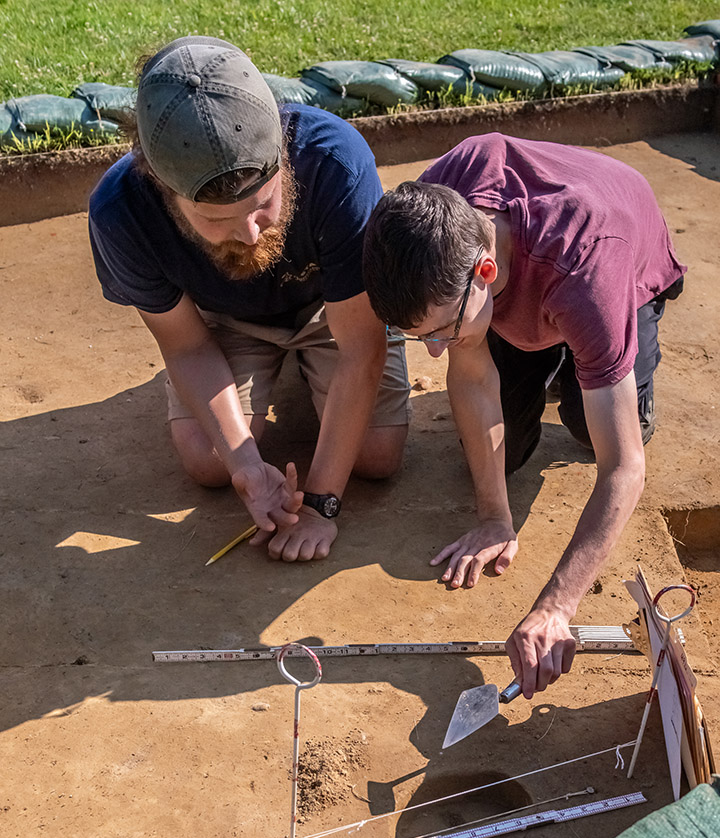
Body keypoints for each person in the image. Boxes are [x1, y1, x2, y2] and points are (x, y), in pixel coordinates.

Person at [363, 133, 685, 697]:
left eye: (438, 333)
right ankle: (553, 357)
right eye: (418, 337)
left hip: (617, 261)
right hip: (517, 288)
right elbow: (467, 368)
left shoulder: (589, 275)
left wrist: (556, 607)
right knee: (500, 452)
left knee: (596, 429)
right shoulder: (428, 219)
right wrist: (494, 517)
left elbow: (623, 467)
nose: (433, 352)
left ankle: (578, 361)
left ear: (484, 272)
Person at [89, 36, 410, 561]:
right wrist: (243, 464)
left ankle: (300, 372)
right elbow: (186, 346)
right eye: (216, 221)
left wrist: (322, 501)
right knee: (208, 464)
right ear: (163, 190)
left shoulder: (336, 162)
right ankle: (274, 374)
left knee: (377, 455)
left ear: (284, 155)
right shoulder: (120, 211)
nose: (252, 234)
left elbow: (361, 346)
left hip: (334, 310)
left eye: (264, 205)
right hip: (225, 319)